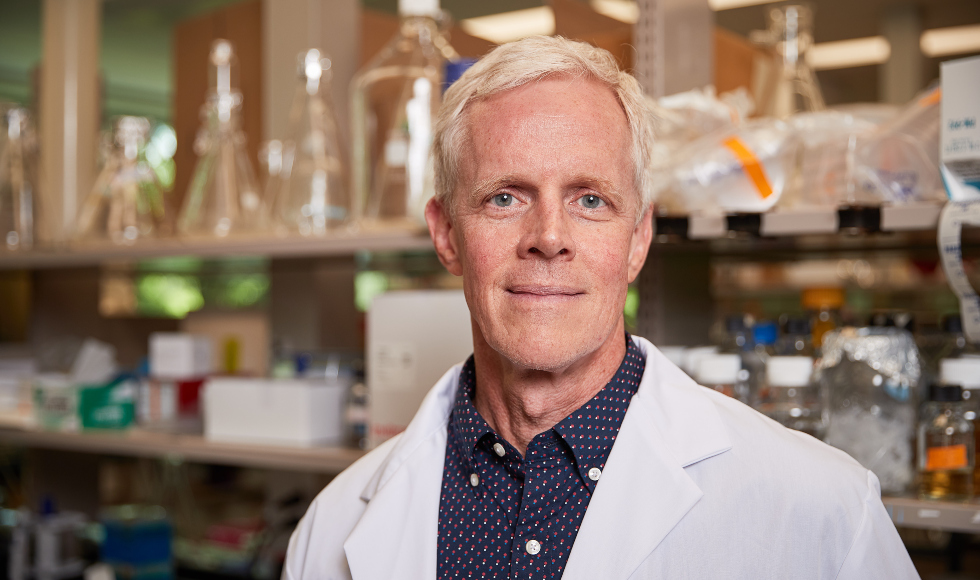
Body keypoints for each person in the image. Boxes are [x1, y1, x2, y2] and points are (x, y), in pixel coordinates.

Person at [283, 36, 918, 579]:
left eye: (590, 200)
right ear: (447, 234)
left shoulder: (821, 510)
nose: (549, 236)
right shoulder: (332, 527)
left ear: (638, 237)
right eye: (505, 197)